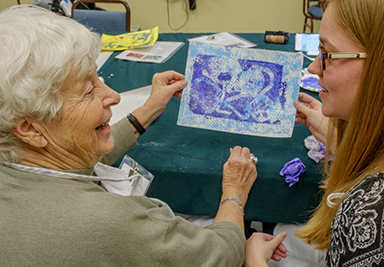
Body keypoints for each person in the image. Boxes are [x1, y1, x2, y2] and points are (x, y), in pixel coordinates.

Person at [0, 5, 286, 266]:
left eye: (97, 78)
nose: (111, 95)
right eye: (88, 90)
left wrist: (147, 111)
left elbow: (65, 151)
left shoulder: (16, 155)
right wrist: (235, 191)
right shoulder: (112, 223)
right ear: (29, 128)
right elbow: (223, 253)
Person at [246, 0, 384, 266]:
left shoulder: (373, 214)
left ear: (382, 66)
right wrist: (339, 139)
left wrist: (255, 262)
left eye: (327, 54)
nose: (313, 68)